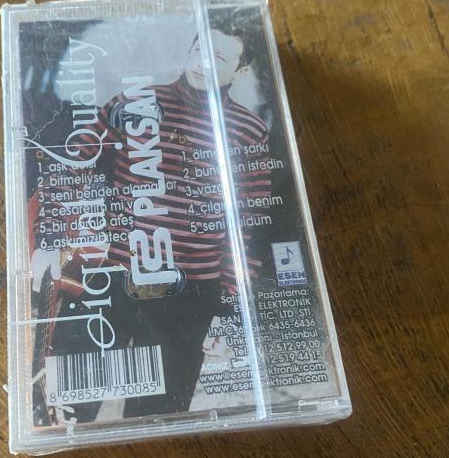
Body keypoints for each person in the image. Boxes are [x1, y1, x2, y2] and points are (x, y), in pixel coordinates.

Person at [31, 25, 271, 424]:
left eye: (219, 58)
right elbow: (70, 166)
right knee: (64, 411)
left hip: (190, 293)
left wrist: (228, 310)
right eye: (199, 50)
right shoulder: (135, 101)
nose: (202, 63)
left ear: (240, 70)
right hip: (110, 279)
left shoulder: (249, 131)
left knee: (161, 420)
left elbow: (246, 229)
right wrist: (50, 239)